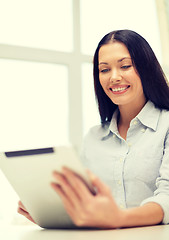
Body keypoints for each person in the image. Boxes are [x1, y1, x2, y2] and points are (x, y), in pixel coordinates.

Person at [18, 29, 169, 228]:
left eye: (125, 66)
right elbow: (87, 204)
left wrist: (118, 218)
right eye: (104, 70)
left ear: (146, 68)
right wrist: (53, 215)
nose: (114, 77)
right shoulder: (94, 137)